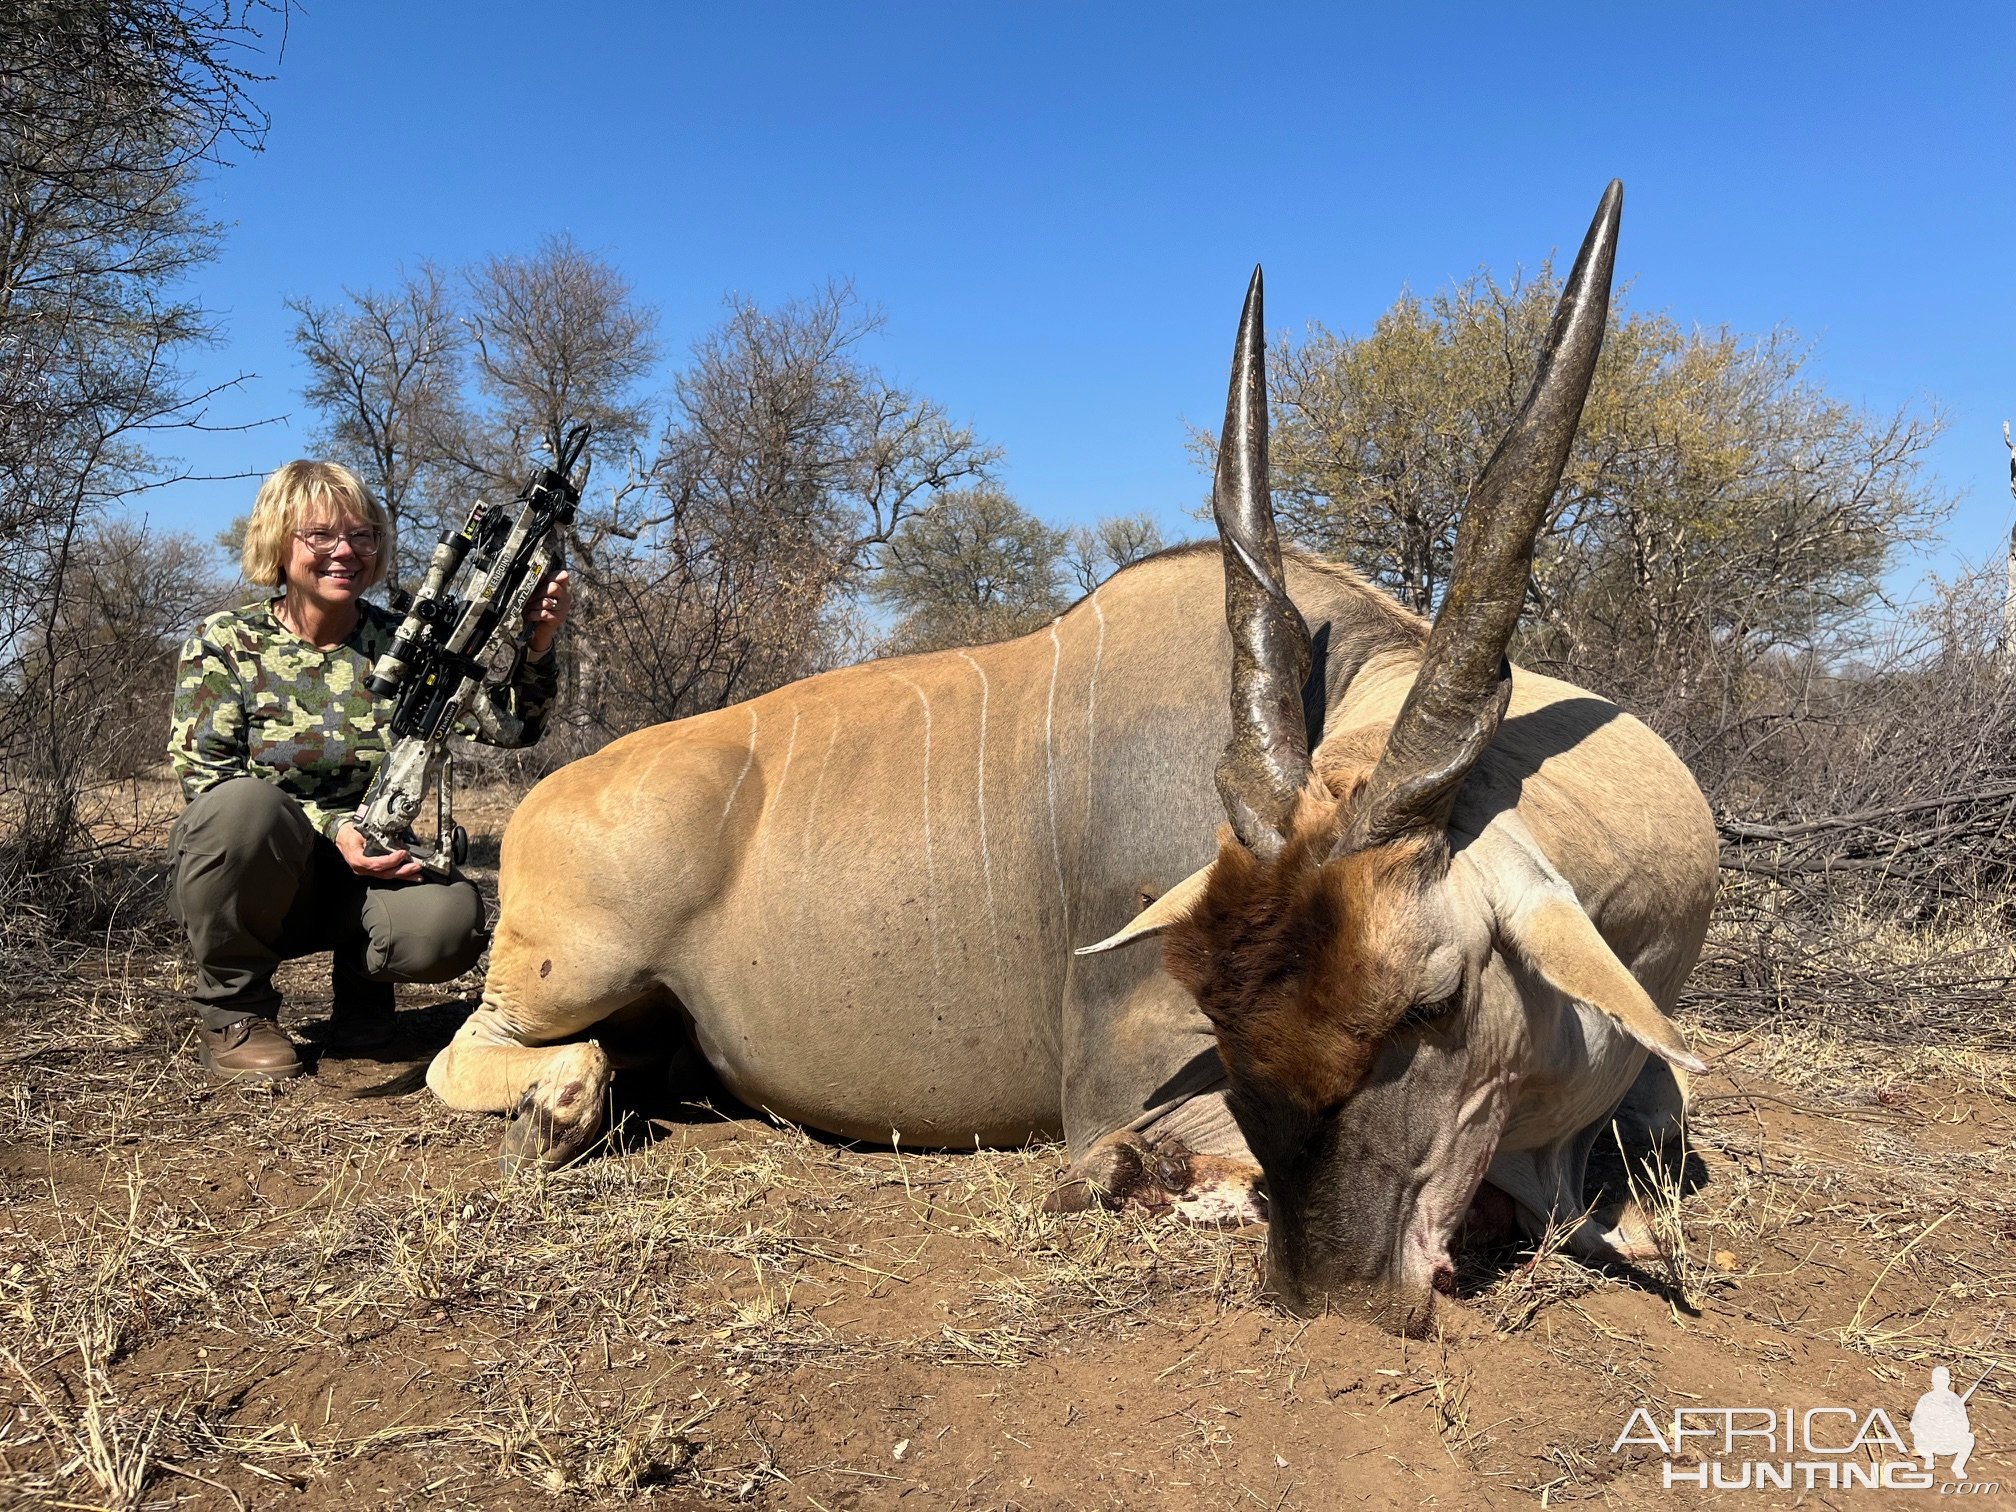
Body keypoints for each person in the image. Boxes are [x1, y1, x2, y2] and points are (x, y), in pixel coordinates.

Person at [166, 460, 571, 1082]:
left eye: (362, 536)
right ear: (278, 541)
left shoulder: (408, 640)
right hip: (262, 872)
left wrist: (538, 642)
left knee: (447, 923)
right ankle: (235, 1010)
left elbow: (513, 728)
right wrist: (335, 830)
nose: (345, 552)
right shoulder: (225, 641)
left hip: (373, 867)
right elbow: (206, 782)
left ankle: (363, 1001)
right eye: (321, 535)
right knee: (241, 807)